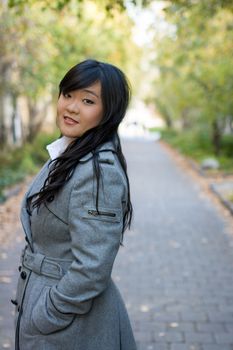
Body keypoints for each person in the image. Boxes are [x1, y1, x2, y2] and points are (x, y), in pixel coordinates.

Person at [12, 59, 137, 350]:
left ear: (109, 111)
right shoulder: (69, 154)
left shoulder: (97, 171)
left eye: (87, 100)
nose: (71, 107)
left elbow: (92, 267)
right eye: (68, 95)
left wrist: (48, 312)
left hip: (71, 325)